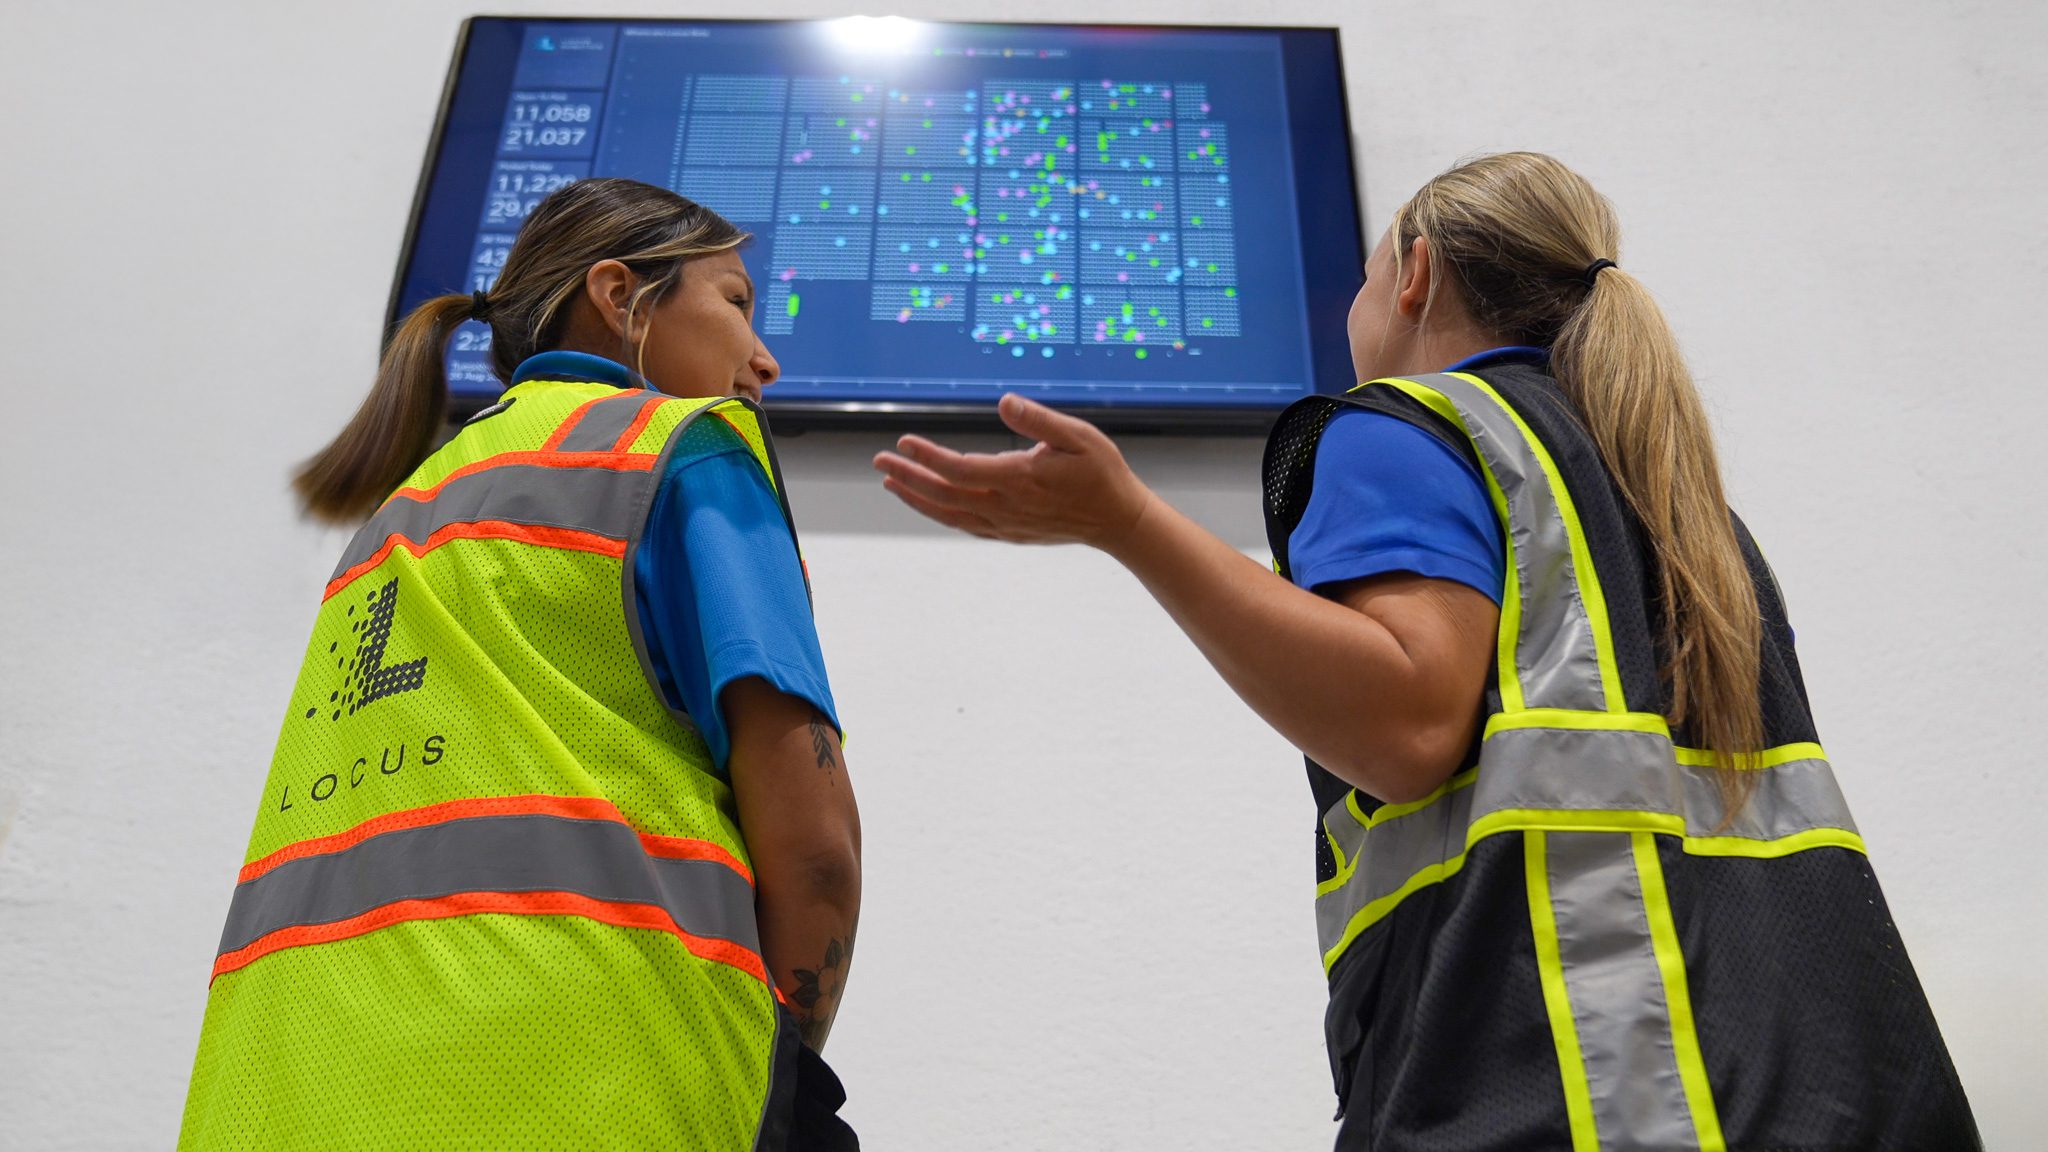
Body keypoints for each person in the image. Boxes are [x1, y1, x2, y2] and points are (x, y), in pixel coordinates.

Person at [874, 152, 1979, 1149]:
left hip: (1563, 1092)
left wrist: (1126, 522)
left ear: (1412, 276)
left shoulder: (1402, 428)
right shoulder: (1679, 502)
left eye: (1358, 278)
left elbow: (1407, 725)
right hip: (1841, 1096)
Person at [180, 179, 861, 1151]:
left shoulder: (390, 525)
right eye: (735, 304)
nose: (763, 357)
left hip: (279, 1076)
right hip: (590, 1079)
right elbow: (817, 852)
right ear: (620, 295)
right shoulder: (679, 452)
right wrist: (782, 1075)